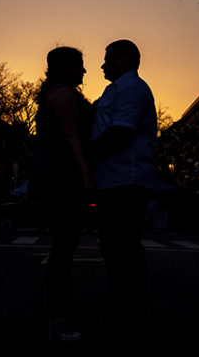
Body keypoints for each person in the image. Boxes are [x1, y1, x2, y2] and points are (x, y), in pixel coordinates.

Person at [89, 39, 157, 341]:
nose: (103, 65)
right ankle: (125, 308)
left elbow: (119, 132)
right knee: (113, 247)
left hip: (125, 181)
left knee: (123, 247)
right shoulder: (115, 90)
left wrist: (84, 154)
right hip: (111, 179)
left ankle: (130, 313)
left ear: (123, 59)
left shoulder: (132, 89)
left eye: (108, 59)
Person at [28, 46, 96, 342]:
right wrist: (86, 178)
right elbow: (71, 136)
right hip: (63, 177)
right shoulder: (65, 95)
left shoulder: (51, 94)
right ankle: (59, 320)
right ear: (67, 67)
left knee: (62, 249)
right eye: (80, 66)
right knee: (63, 251)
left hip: (51, 175)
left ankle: (57, 318)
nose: (84, 71)